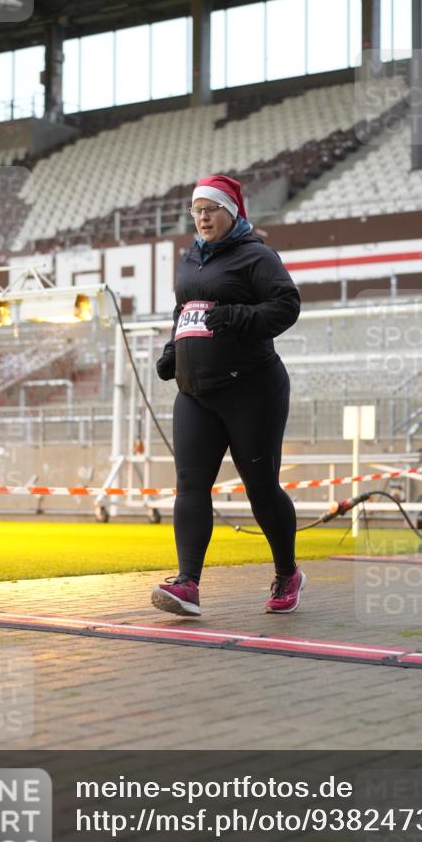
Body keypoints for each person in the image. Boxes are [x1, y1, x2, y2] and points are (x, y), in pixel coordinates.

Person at [152, 173, 306, 618]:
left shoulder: (257, 255)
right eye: (196, 210)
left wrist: (238, 316)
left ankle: (287, 573)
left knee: (261, 488)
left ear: (231, 211)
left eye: (211, 209)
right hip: (195, 393)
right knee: (190, 485)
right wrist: (172, 351)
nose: (202, 218)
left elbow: (287, 305)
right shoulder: (190, 259)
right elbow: (184, 310)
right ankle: (187, 584)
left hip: (252, 390)